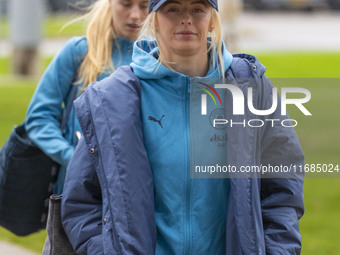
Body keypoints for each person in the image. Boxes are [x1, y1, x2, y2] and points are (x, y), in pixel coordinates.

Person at [61, 0, 305, 254]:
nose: (185, 19)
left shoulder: (251, 90)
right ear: (153, 20)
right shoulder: (112, 99)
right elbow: (81, 202)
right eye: (173, 9)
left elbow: (282, 190)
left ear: (212, 20)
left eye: (197, 9)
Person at [24, 0, 149, 194]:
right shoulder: (79, 51)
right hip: (78, 192)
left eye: (144, 6)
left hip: (134, 192)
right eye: (126, 4)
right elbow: (39, 117)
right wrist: (73, 158)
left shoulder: (158, 59)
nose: (135, 15)